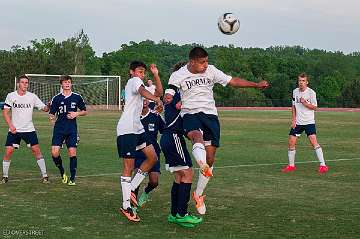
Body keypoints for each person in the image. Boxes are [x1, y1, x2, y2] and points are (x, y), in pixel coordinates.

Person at [167, 47, 270, 215]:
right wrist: (168, 96)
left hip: (210, 115)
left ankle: (198, 194)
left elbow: (232, 81)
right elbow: (170, 89)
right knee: (196, 136)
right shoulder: (178, 74)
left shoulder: (212, 70)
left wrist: (256, 85)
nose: (206, 65)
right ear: (192, 61)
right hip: (190, 113)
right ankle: (201, 165)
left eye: (207, 61)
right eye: (202, 62)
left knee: (211, 158)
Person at [117, 61, 163, 222]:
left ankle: (131, 189)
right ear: (132, 72)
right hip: (127, 128)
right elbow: (144, 92)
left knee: (152, 158)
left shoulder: (141, 82)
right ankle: (126, 205)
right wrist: (156, 101)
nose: (141, 74)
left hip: (137, 128)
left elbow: (159, 92)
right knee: (128, 167)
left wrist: (156, 74)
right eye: (139, 71)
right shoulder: (133, 81)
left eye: (144, 72)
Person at [161, 61, 203, 228]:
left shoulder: (172, 91)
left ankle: (174, 214)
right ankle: (182, 213)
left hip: (168, 137)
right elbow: (180, 105)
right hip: (173, 137)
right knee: (188, 173)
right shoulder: (178, 91)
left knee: (179, 177)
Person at [1, 75, 50, 184]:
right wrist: (11, 126)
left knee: (36, 150)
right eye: (22, 82)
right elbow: (5, 112)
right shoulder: (11, 96)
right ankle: (5, 177)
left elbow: (44, 109)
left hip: (29, 129)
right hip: (14, 130)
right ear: (18, 84)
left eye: (26, 82)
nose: (24, 84)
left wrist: (48, 106)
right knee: (9, 151)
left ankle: (45, 176)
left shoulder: (32, 96)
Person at [282, 73, 329, 173]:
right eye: (299, 81)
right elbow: (293, 106)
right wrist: (293, 119)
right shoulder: (295, 91)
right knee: (291, 142)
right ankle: (291, 166)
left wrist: (305, 103)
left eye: (303, 81)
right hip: (298, 122)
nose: (301, 83)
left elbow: (315, 107)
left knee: (313, 142)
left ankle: (323, 165)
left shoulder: (311, 93)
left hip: (309, 122)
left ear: (307, 82)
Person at [49, 75, 87, 186]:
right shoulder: (56, 98)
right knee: (54, 153)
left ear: (71, 84)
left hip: (71, 129)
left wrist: (76, 113)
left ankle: (72, 178)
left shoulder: (77, 97)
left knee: (72, 153)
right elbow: (52, 113)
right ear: (61, 84)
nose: (67, 84)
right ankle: (62, 172)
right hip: (59, 129)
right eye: (65, 82)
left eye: (69, 82)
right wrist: (52, 118)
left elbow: (85, 111)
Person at [133, 99, 164, 208]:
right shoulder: (133, 116)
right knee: (136, 178)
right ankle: (133, 206)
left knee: (154, 182)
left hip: (154, 152)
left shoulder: (155, 116)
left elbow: (165, 131)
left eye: (145, 99)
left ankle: (146, 192)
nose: (144, 101)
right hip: (138, 152)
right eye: (141, 99)